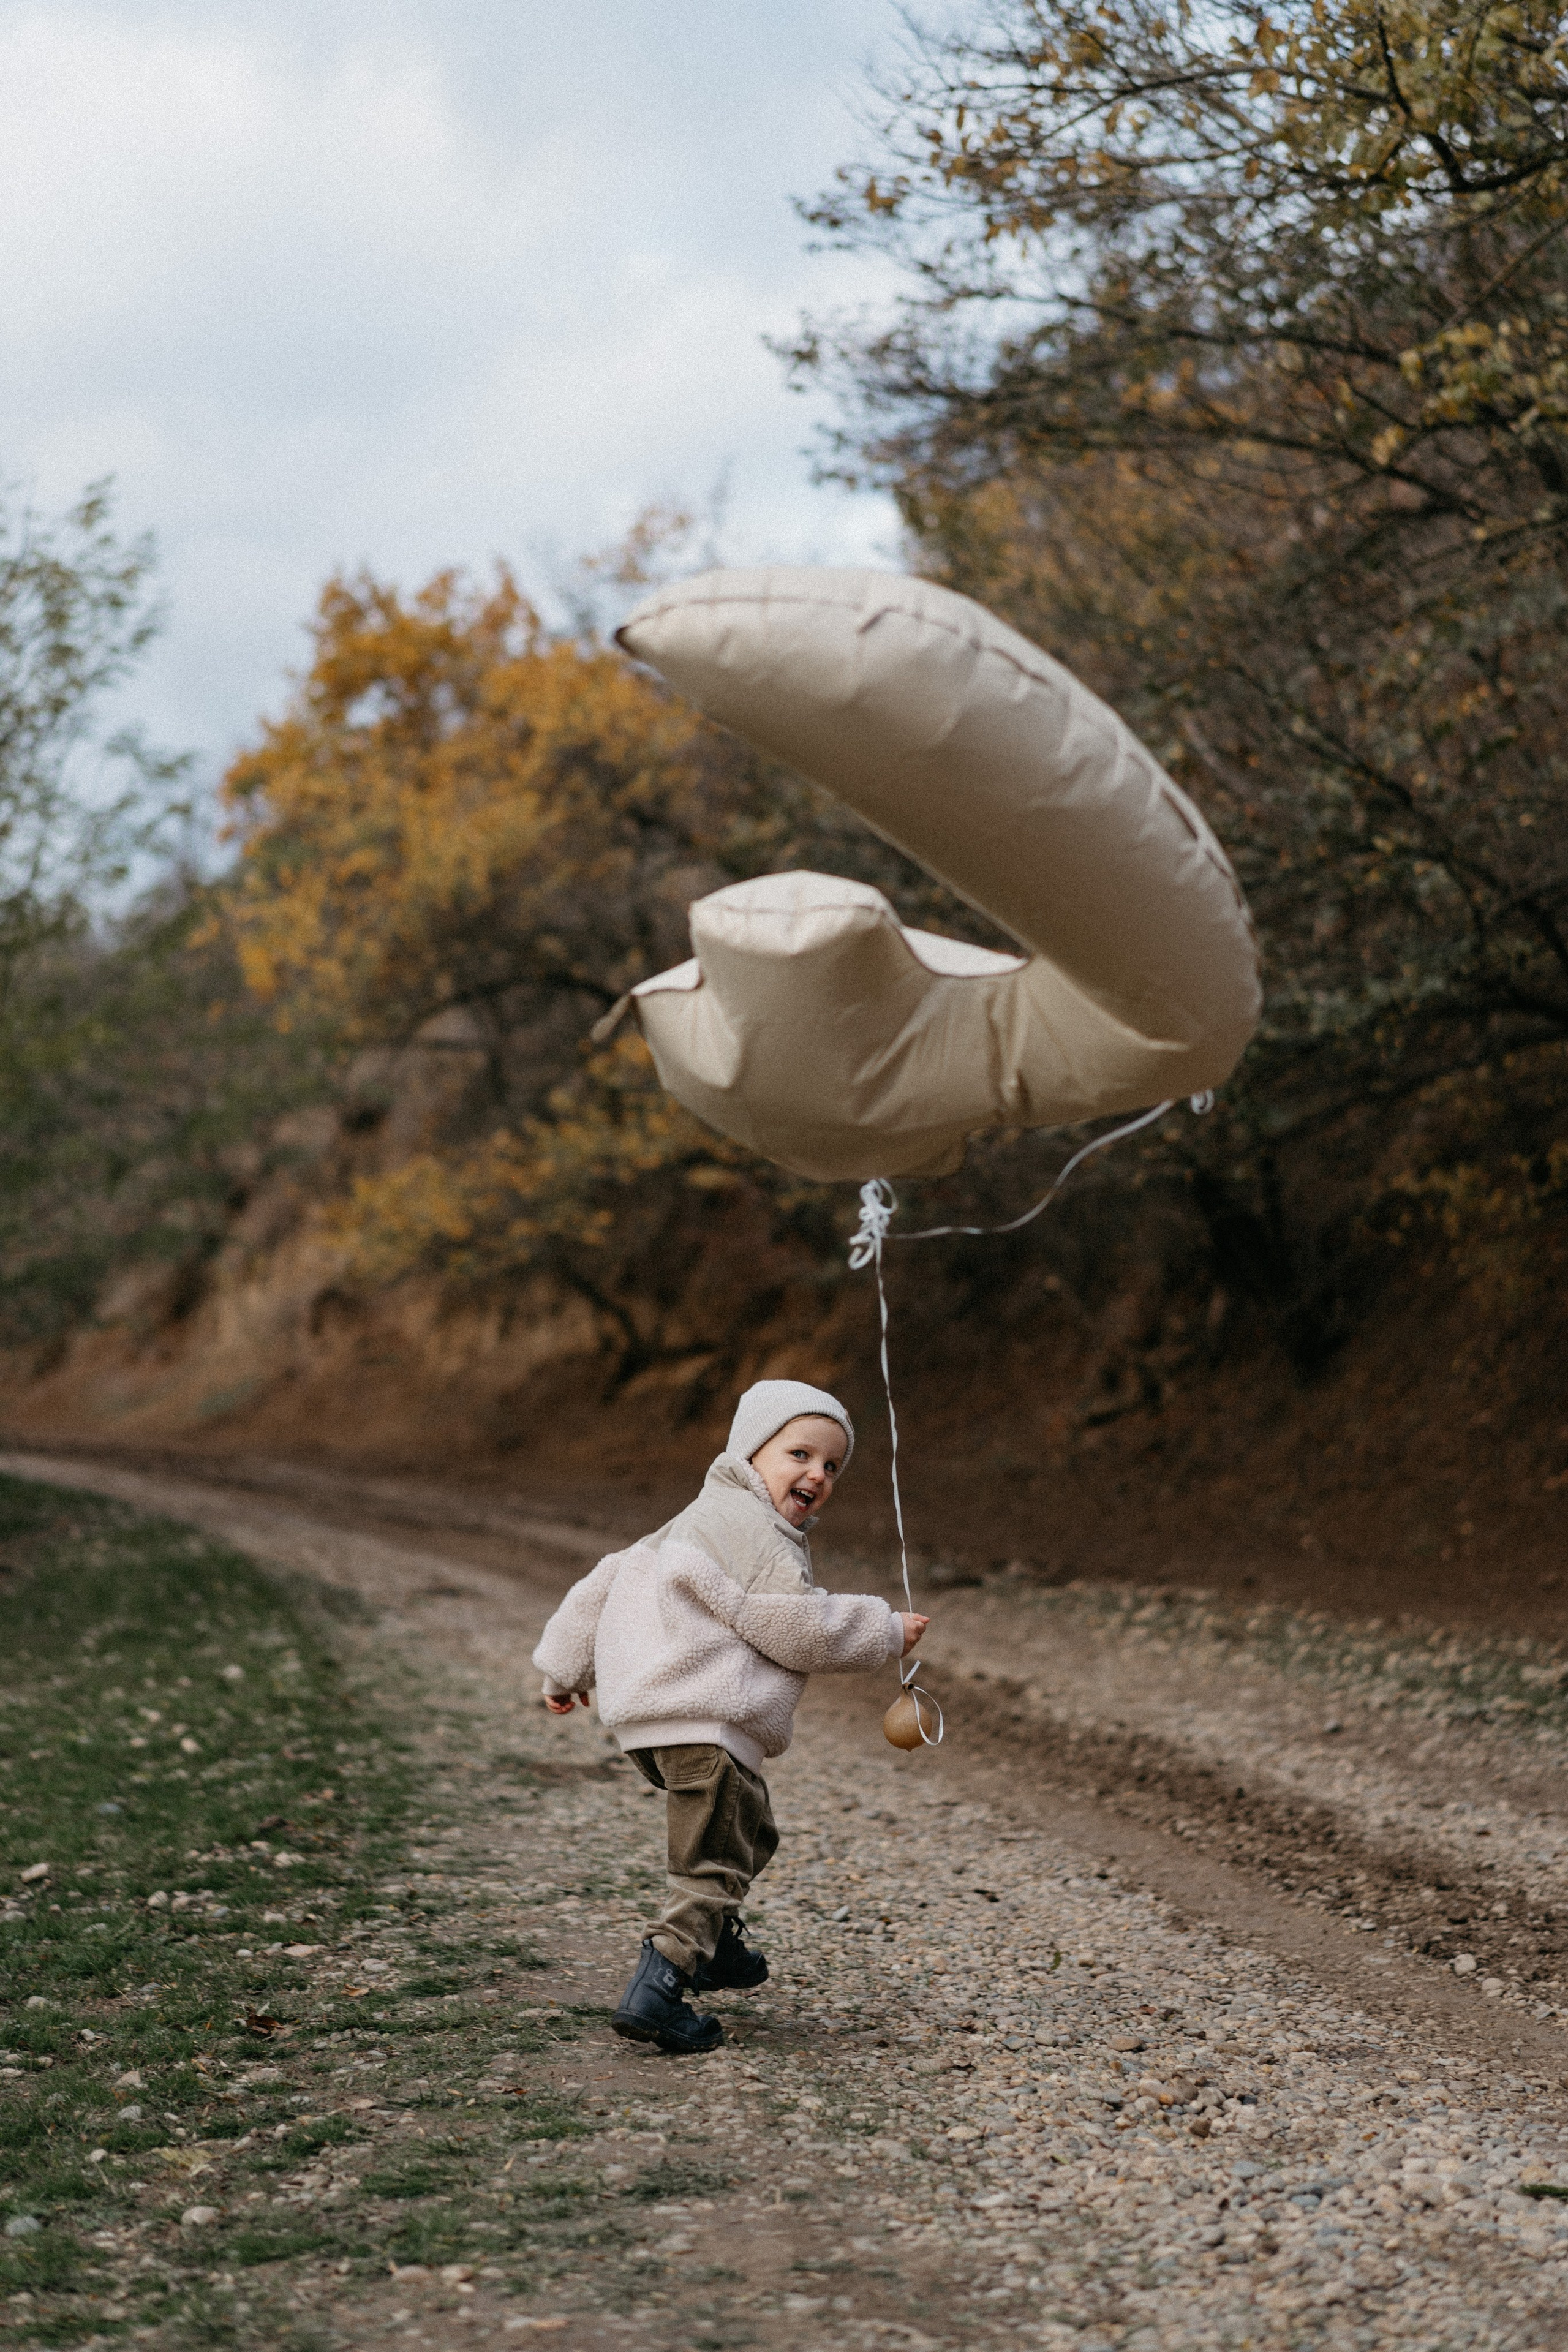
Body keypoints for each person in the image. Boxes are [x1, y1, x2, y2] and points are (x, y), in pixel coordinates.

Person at [533, 1378, 929, 2053]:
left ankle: (711, 1944)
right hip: (705, 1719)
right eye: (799, 1454)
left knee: (752, 1832)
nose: (817, 1474)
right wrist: (883, 1630)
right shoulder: (755, 1533)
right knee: (713, 1863)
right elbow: (796, 1627)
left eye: (832, 1465)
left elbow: (596, 1588)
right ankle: (659, 1987)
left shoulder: (685, 1522)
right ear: (750, 1454)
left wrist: (562, 1670)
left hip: (657, 1730)